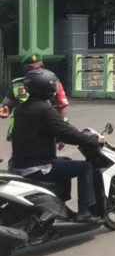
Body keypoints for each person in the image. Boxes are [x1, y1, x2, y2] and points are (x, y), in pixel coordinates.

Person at [10, 68, 105, 223]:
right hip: (37, 166)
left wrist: (60, 137)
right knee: (85, 167)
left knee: (66, 160)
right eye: (53, 85)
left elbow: (43, 131)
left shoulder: (22, 108)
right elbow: (67, 132)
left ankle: (57, 202)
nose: (56, 87)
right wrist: (93, 141)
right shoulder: (44, 109)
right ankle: (84, 212)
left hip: (22, 162)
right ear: (45, 87)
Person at [1, 53, 70, 140]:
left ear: (42, 66)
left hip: (45, 131)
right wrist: (4, 110)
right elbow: (7, 105)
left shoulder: (53, 83)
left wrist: (62, 132)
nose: (29, 71)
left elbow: (62, 106)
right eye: (26, 67)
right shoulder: (16, 84)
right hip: (20, 131)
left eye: (32, 67)